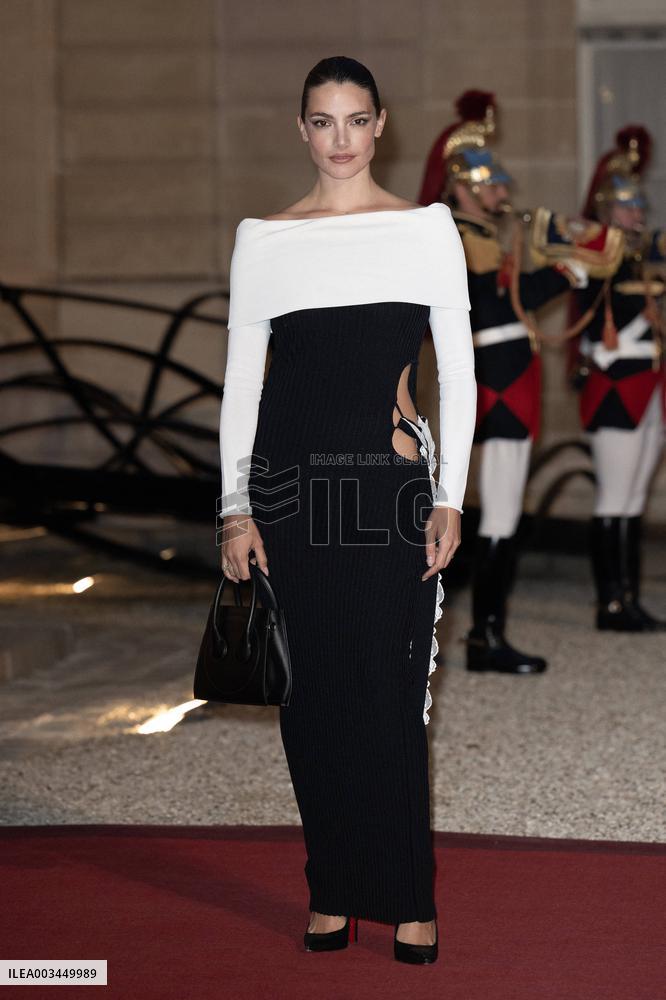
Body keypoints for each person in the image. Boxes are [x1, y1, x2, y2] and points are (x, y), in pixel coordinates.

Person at [218, 57, 476, 963]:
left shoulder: (425, 228)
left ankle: (408, 897)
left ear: (380, 126)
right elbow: (242, 385)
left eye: (356, 120)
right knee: (312, 697)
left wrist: (450, 495)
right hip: (289, 491)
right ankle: (331, 885)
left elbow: (460, 371)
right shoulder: (263, 239)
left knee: (387, 691)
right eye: (323, 121)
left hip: (381, 488)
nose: (340, 139)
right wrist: (236, 509)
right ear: (302, 129)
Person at [418, 90, 587, 674]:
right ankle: (484, 636)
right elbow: (501, 303)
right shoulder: (462, 235)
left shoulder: (482, 233)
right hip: (496, 375)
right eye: (489, 182)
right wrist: (566, 272)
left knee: (504, 510)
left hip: (510, 373)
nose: (500, 191)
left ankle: (487, 633)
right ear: (463, 184)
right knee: (498, 512)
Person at [569, 125, 665, 630]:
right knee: (614, 497)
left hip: (649, 383)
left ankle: (628, 598)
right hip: (615, 384)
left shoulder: (645, 256)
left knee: (633, 499)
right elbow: (591, 321)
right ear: (609, 209)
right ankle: (609, 602)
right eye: (627, 206)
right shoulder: (597, 255)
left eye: (639, 206)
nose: (637, 214)